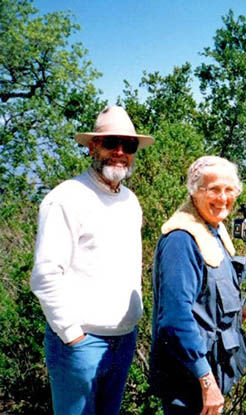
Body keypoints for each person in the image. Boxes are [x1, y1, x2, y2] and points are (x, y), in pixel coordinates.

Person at [30, 106, 155, 415]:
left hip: (124, 340)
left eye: (129, 146)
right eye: (112, 142)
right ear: (92, 146)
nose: (120, 152)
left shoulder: (129, 201)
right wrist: (72, 334)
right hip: (80, 344)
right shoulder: (66, 199)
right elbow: (45, 275)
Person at [150, 156, 246, 415]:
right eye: (214, 189)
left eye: (229, 190)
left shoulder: (213, 230)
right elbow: (174, 319)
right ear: (194, 191)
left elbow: (205, 299)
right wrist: (206, 380)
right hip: (187, 381)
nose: (223, 198)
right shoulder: (182, 239)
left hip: (207, 372)